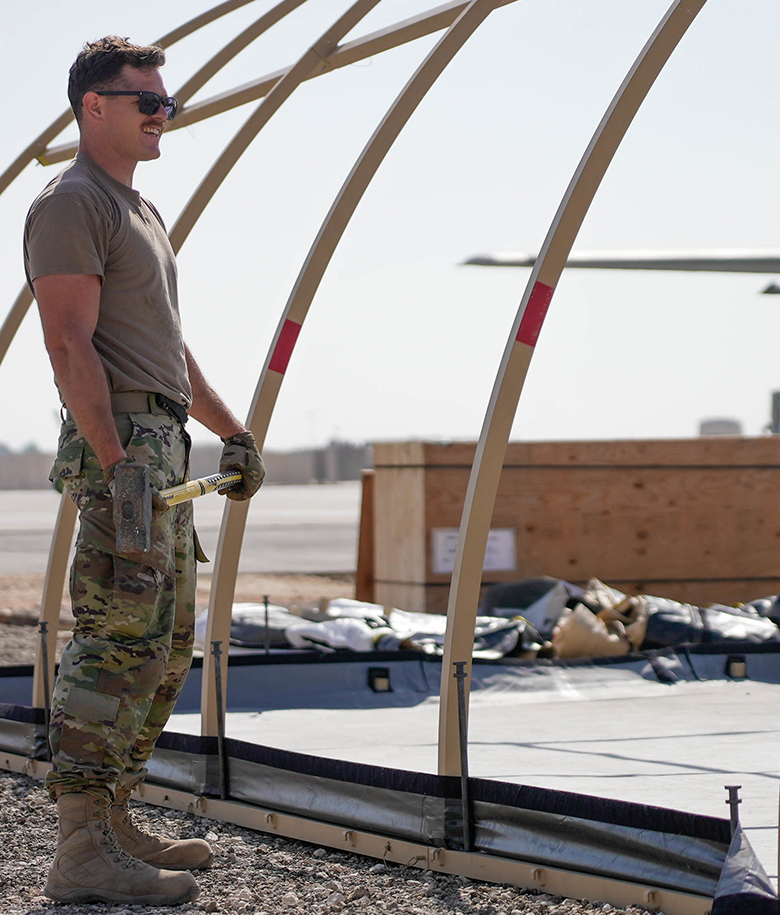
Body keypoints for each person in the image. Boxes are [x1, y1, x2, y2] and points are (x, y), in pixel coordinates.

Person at [23, 36, 265, 906]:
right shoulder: (71, 203)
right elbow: (66, 342)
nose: (167, 115)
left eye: (169, 102)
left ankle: (114, 818)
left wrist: (233, 432)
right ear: (95, 106)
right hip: (122, 446)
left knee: (163, 647)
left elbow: (165, 347)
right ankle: (81, 848)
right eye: (149, 102)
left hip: (161, 445)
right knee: (115, 641)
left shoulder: (139, 210)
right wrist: (119, 465)